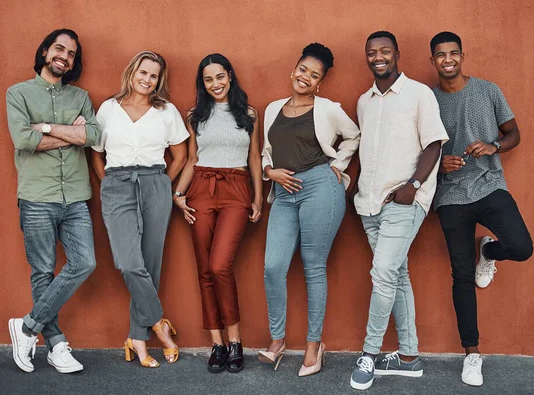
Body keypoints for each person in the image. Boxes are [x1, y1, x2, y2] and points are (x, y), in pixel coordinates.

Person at [429, 31, 533, 386]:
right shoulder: (427, 99)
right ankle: (472, 353)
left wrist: (493, 146)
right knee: (460, 274)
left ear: (462, 56)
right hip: (450, 195)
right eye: (440, 55)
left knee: (522, 247)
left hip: (489, 185)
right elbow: (417, 148)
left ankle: (488, 250)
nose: (447, 60)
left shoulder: (488, 89)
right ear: (433, 61)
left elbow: (514, 133)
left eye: (453, 53)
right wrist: (439, 165)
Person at [349, 31, 449, 391]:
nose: (378, 57)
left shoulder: (419, 93)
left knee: (382, 274)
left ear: (397, 54)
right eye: (372, 52)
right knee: (396, 276)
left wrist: (414, 187)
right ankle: (409, 358)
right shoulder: (364, 102)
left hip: (405, 201)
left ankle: (369, 354)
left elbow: (434, 144)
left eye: (385, 51)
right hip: (368, 204)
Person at [259, 43, 360, 377]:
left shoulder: (327, 108)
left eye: (314, 75)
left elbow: (353, 136)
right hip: (285, 193)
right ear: (294, 69)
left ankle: (314, 346)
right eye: (303, 69)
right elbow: (267, 151)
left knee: (313, 265)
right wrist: (269, 171)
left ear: (319, 83)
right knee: (273, 266)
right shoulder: (272, 109)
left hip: (319, 187)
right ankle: (277, 340)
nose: (305, 77)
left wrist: (337, 164)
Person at [6, 28, 100, 373]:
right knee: (43, 271)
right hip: (37, 196)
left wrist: (43, 128)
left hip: (75, 197)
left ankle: (27, 327)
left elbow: (92, 134)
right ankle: (57, 344)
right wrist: (67, 134)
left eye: (72, 53)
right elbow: (22, 139)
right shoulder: (17, 93)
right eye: (59, 49)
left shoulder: (81, 96)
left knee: (85, 262)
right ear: (45, 50)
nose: (65, 56)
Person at [91, 51, 189, 368]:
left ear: (159, 81)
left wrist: (162, 186)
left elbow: (181, 155)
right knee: (129, 262)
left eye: (154, 76)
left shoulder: (166, 111)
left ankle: (137, 337)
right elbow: (96, 153)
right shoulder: (108, 109)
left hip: (154, 183)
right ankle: (159, 323)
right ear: (132, 72)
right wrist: (109, 183)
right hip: (117, 183)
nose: (147, 80)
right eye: (143, 72)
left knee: (150, 262)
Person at [173, 53, 263, 373]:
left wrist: (258, 197)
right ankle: (218, 343)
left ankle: (236, 341)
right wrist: (178, 194)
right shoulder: (195, 115)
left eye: (220, 77)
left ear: (230, 76)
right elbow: (192, 159)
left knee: (220, 264)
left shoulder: (249, 113)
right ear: (203, 83)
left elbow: (254, 158)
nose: (215, 84)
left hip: (236, 189)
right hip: (201, 189)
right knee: (205, 270)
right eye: (208, 79)